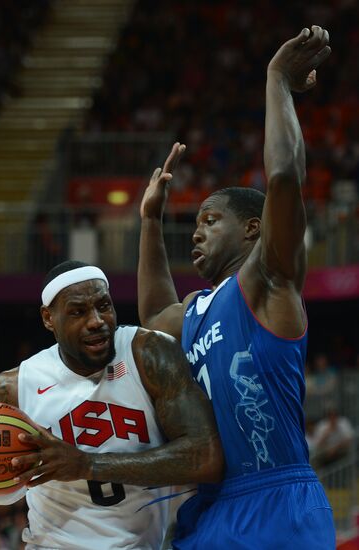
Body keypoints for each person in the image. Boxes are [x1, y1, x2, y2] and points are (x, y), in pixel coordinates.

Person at [138, 27, 335, 549]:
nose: (197, 232)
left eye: (209, 220)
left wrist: (276, 81)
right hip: (212, 506)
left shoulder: (268, 279)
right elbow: (155, 318)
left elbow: (287, 177)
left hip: (278, 500)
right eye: (195, 224)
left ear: (253, 228)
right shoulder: (196, 309)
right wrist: (150, 222)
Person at [0, 260, 224, 550]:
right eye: (78, 311)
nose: (97, 320)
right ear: (49, 318)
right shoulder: (14, 386)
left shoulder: (147, 353)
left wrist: (86, 464)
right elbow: (9, 492)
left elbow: (205, 457)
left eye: (104, 306)